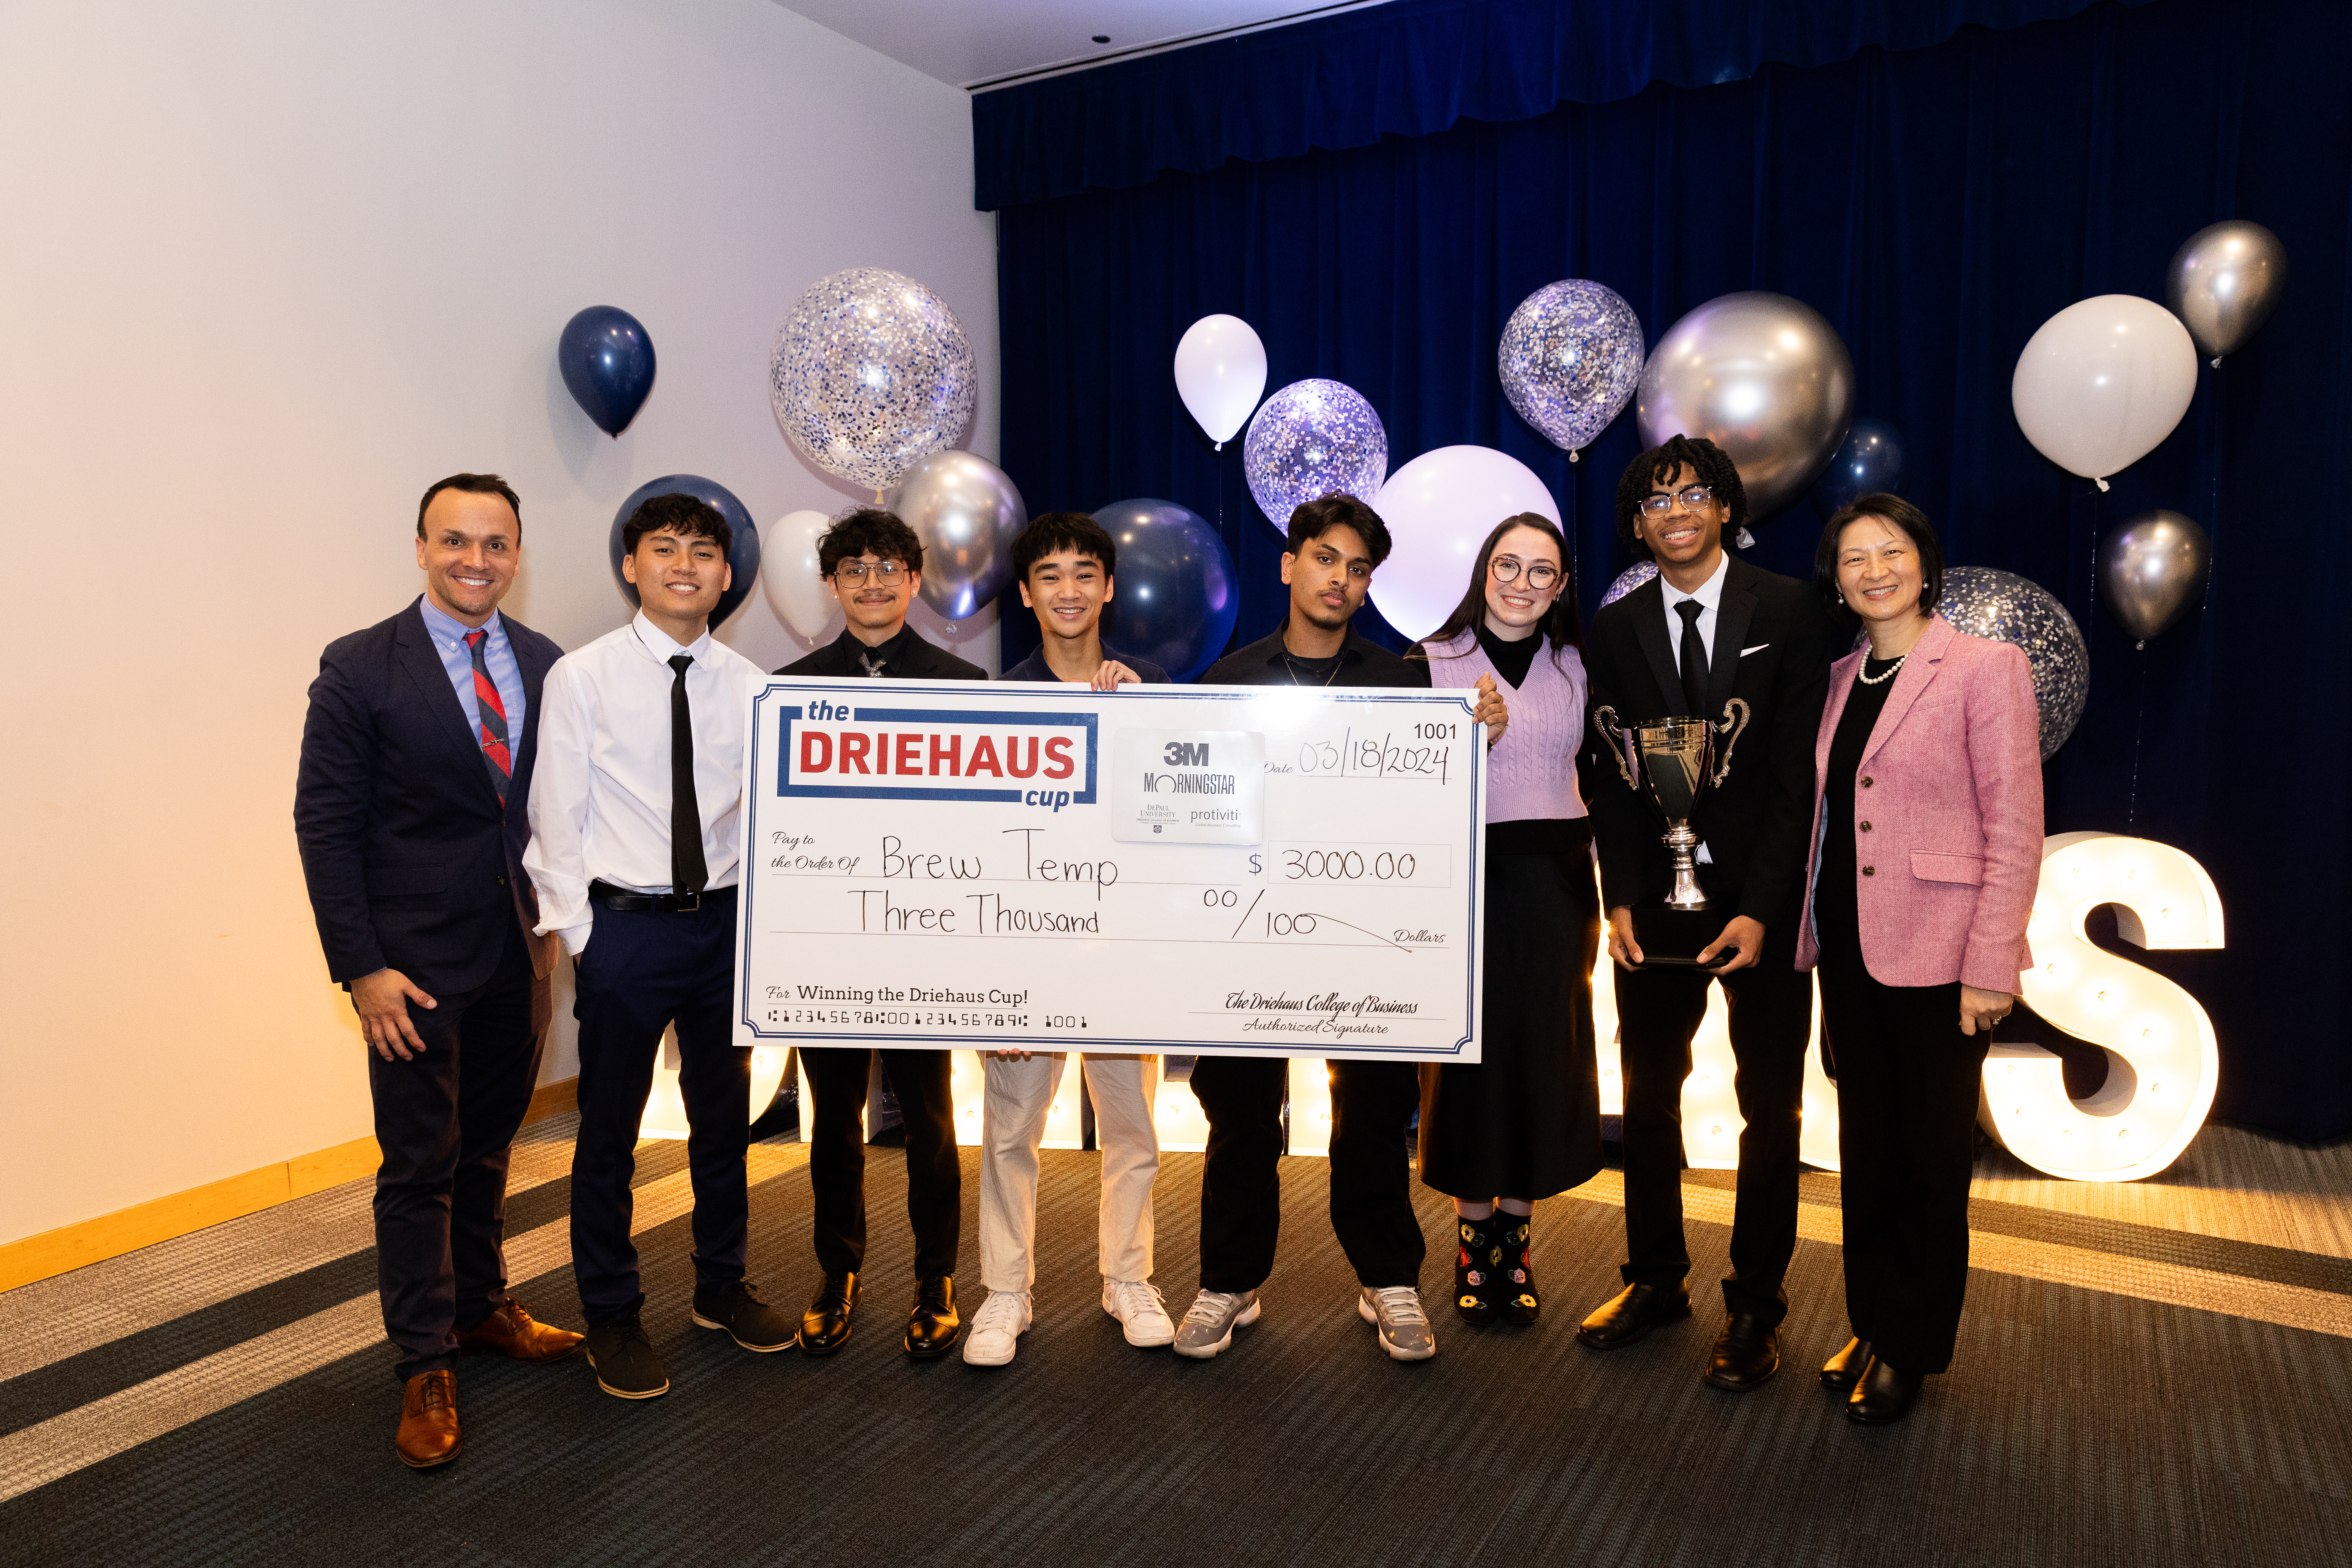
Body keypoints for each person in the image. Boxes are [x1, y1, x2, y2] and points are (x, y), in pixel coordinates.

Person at [1172, 493, 1508, 1364]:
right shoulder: (1228, 681)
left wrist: (1474, 741)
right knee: (1242, 1112)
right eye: (1326, 558)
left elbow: (1428, 810)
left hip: (1365, 937)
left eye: (1359, 569)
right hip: (1246, 936)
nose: (1342, 579)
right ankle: (1229, 1281)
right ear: (1290, 564)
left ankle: (1387, 1276)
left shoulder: (1402, 685)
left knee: (1371, 1110)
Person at [295, 473, 582, 1469]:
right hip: (409, 970)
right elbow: (323, 826)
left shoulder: (546, 664)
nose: (475, 559)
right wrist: (361, 968)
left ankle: (479, 1306)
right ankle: (422, 1356)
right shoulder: (361, 665)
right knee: (419, 1162)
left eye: (495, 543)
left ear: (517, 554)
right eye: (455, 540)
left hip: (518, 951)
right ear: (421, 547)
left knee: (491, 1142)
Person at [1577, 435, 1832, 1393]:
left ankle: (1756, 1305)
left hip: (1758, 902)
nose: (1674, 510)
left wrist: (1766, 909)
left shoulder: (1793, 609)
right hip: (1658, 904)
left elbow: (1797, 776)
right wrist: (1623, 900)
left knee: (1771, 1105)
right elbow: (1609, 775)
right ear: (1637, 522)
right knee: (1647, 1096)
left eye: (1693, 494)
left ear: (1726, 507)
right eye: (1655, 498)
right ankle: (1654, 1279)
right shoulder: (1615, 627)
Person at [526, 492, 789, 1399]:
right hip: (625, 933)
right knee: (609, 1134)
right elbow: (555, 818)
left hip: (723, 928)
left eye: (705, 551)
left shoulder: (755, 686)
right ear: (631, 564)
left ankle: (721, 1285)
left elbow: (765, 818)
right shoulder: (583, 677)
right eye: (665, 548)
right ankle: (611, 1311)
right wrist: (586, 938)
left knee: (724, 1123)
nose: (686, 565)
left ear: (727, 572)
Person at [1797, 495, 2040, 1425]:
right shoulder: (1838, 677)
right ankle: (1871, 1317)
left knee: (1932, 1160)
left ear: (1924, 562)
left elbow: (2015, 826)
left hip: (1943, 959)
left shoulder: (1985, 668)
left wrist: (1992, 964)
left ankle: (1913, 1344)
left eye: (1890, 551)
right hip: (1850, 952)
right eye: (1853, 557)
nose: (1873, 570)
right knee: (1868, 1151)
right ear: (1838, 579)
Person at [965, 512, 1176, 1367]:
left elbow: (1177, 828)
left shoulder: (1152, 687)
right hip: (1030, 949)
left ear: (1110, 586)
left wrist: (1137, 724)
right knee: (1012, 1128)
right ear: (1025, 594)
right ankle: (1004, 1292)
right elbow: (981, 843)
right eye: (1049, 575)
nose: (1068, 590)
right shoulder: (1000, 700)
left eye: (1085, 573)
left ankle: (1128, 1276)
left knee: (1132, 1127)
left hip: (1124, 945)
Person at [775, 508, 986, 1359]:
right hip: (828, 942)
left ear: (914, 579)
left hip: (922, 943)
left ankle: (937, 1278)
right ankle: (838, 1272)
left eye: (888, 566)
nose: (871, 580)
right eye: (854, 568)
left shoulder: (961, 685)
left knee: (931, 1121)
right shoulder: (789, 687)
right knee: (832, 1119)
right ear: (832, 585)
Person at [1410, 513, 1602, 1330]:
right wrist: (1468, 743)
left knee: (1540, 1058)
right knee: (1471, 1064)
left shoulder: (1578, 665)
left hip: (1558, 881)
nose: (1522, 582)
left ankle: (1515, 1245)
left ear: (1561, 586)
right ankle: (1472, 1237)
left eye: (1541, 571)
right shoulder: (1429, 660)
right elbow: (1405, 789)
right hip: (1468, 877)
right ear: (1483, 570)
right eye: (1508, 565)